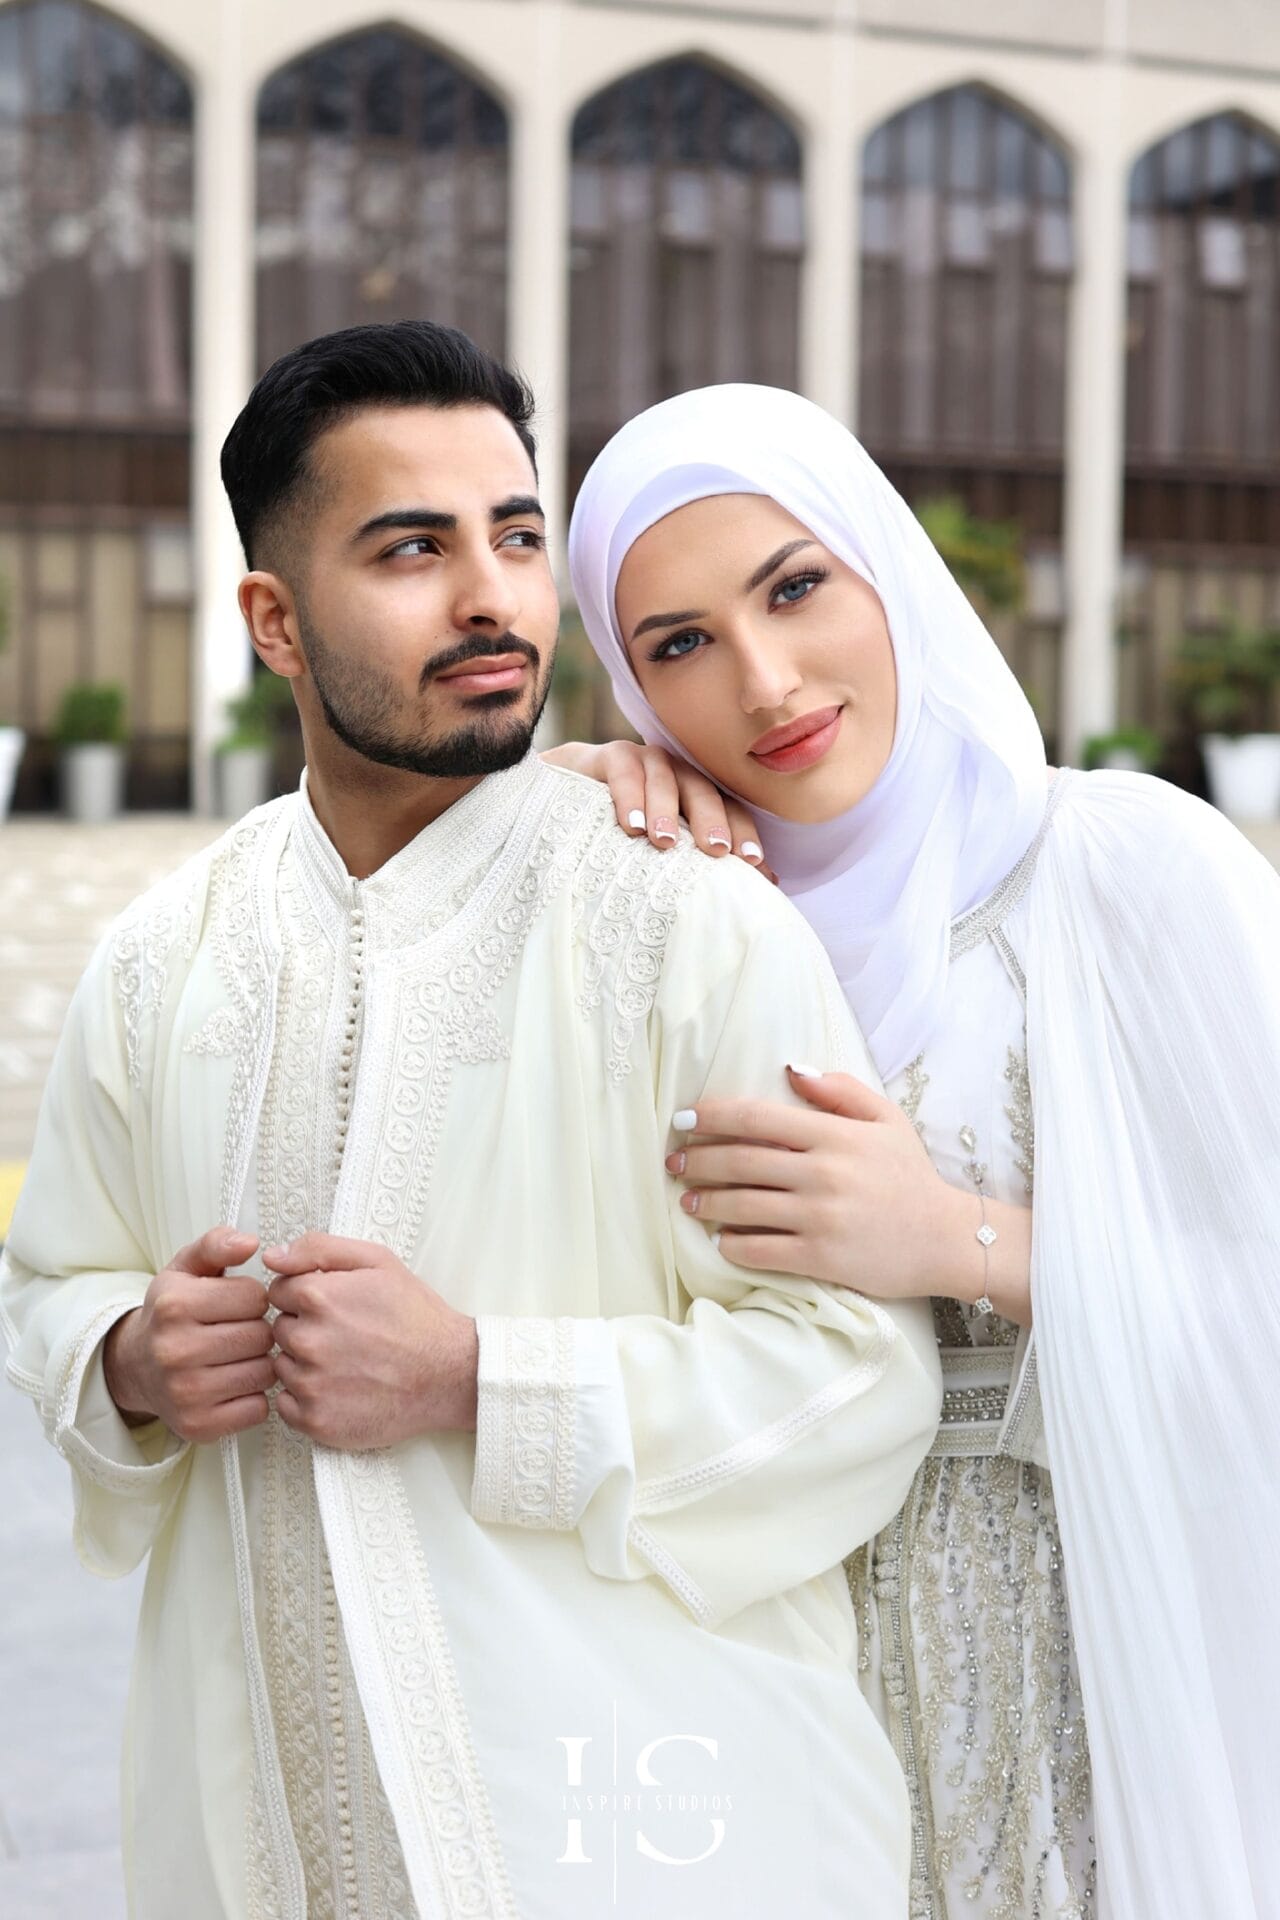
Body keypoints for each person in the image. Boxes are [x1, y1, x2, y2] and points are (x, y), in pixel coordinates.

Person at [0, 326, 942, 1920]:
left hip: (646, 1840)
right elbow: (51, 1287)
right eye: (411, 550)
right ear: (274, 621)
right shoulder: (167, 956)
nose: (492, 597)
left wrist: (474, 1380)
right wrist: (133, 1362)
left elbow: (855, 1384)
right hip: (255, 1847)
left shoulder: (688, 921)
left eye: (514, 537)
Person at [560, 382, 1280, 1920]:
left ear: (888, 569)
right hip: (769, 1720)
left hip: (1090, 1703)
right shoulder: (668, 927)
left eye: (796, 587)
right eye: (676, 645)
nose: (763, 681)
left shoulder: (1127, 871)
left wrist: (963, 1241)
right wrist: (531, 818)